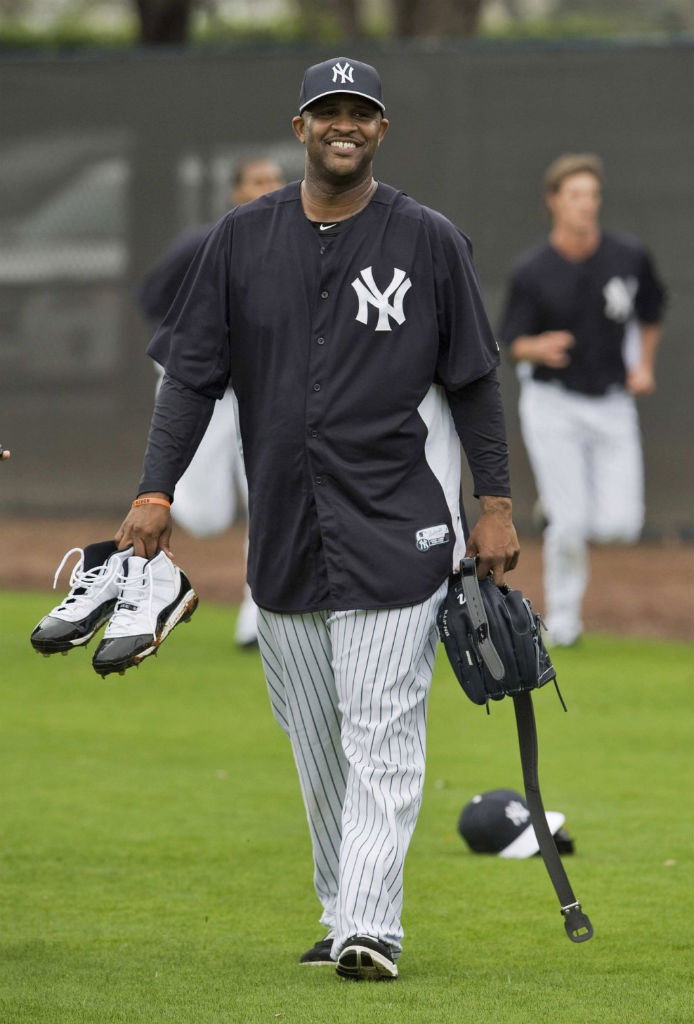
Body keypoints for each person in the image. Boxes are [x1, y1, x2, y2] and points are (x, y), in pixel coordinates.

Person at [115, 57, 519, 980]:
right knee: (315, 738)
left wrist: (491, 507)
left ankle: (371, 926)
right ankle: (342, 909)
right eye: (327, 111)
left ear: (382, 130)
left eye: (362, 112)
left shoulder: (427, 239)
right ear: (299, 128)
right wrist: (154, 489)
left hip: (398, 524)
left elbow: (474, 385)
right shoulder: (240, 238)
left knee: (383, 729)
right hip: (289, 531)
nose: (345, 124)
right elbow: (190, 379)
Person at [499, 153, 666, 647]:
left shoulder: (628, 256)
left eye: (592, 195)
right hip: (554, 402)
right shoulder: (533, 269)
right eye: (575, 195)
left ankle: (558, 506)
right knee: (570, 527)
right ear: (553, 202)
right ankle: (565, 625)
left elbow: (652, 312)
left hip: (612, 401)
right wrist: (537, 346)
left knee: (619, 525)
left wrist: (644, 365)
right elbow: (513, 342)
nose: (585, 205)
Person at [137, 157, 286, 648]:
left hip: (258, 397)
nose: (268, 188)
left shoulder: (295, 242)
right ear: (235, 191)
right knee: (205, 515)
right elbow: (152, 299)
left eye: (274, 180)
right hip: (207, 397)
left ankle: (255, 620)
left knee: (268, 501)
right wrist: (188, 351)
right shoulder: (202, 242)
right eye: (257, 181)